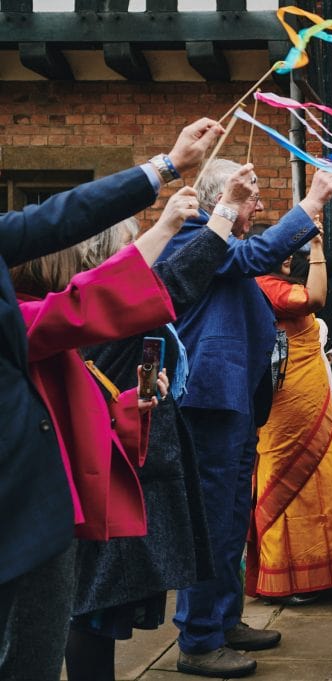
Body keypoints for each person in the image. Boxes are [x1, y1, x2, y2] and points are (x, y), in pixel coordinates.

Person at [0, 118, 221, 638]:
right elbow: (89, 300)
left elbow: (60, 217)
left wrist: (167, 167)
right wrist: (196, 217)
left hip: (62, 495)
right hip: (29, 503)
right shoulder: (29, 318)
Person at [65, 169, 254, 681]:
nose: (140, 254)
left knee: (100, 604)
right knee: (92, 607)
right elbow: (178, 280)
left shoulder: (98, 300)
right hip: (107, 470)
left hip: (125, 460)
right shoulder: (99, 301)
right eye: (130, 245)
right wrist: (224, 212)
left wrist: (150, 381)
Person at [160, 160, 332, 678]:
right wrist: (313, 203)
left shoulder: (225, 246)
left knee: (233, 520)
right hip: (208, 404)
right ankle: (199, 640)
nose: (259, 205)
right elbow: (258, 255)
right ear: (223, 201)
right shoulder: (195, 239)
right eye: (252, 196)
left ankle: (224, 621)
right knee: (212, 524)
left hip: (237, 403)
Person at [248, 224, 332, 605]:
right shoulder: (267, 287)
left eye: (289, 250)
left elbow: (331, 268)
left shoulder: (277, 280)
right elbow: (316, 297)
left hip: (312, 391)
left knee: (326, 475)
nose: (288, 256)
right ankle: (288, 576)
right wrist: (319, 247)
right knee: (289, 476)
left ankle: (329, 568)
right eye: (280, 251)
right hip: (289, 399)